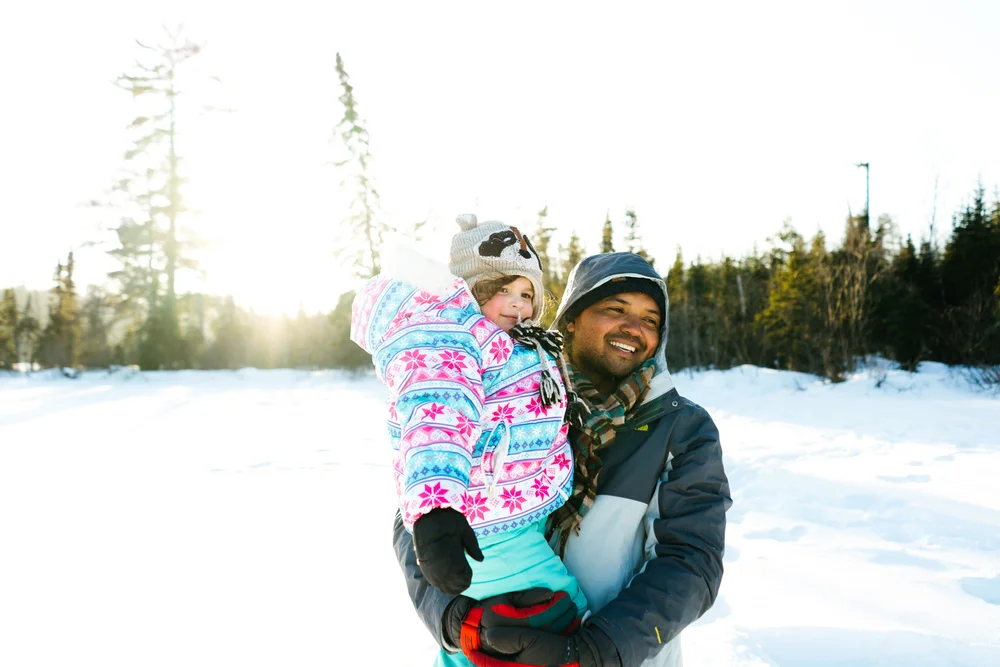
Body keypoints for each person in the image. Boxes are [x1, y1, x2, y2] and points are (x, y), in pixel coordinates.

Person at [394, 251, 732, 667]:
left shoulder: (680, 428)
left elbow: (692, 562)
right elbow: (419, 515)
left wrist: (591, 652)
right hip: (487, 651)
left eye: (650, 320)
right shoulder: (509, 391)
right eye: (616, 309)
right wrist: (453, 619)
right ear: (571, 317)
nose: (634, 328)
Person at [351, 214, 589, 667]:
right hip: (484, 522)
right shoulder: (451, 339)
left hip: (516, 512)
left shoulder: (520, 345)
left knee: (483, 641)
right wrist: (437, 508)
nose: (517, 305)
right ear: (472, 290)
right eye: (503, 290)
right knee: (555, 613)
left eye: (527, 295)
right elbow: (437, 413)